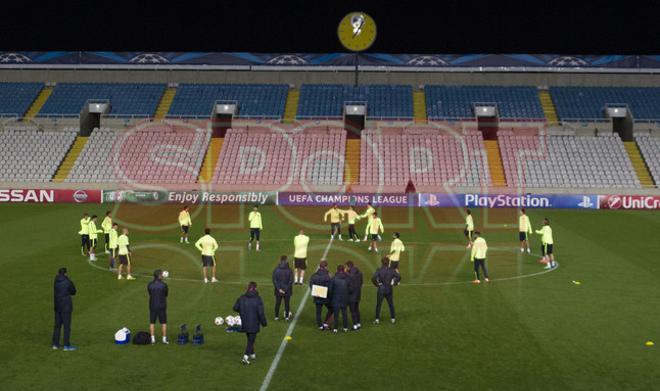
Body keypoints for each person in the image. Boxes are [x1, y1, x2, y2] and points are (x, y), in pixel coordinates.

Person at [233, 282, 267, 365]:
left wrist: (242, 311)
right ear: (255, 288)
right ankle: (245, 357)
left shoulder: (241, 297)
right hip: (254, 323)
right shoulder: (258, 299)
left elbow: (235, 308)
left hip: (245, 322)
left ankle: (252, 354)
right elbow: (261, 313)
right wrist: (264, 323)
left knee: (250, 339)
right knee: (251, 341)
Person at [52, 267, 77, 351]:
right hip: (66, 307)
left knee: (57, 326)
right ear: (65, 273)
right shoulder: (68, 282)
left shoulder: (55, 281)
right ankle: (66, 345)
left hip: (57, 306)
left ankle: (55, 344)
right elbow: (73, 292)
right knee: (66, 327)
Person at [372, 257, 401, 324]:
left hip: (381, 289)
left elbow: (373, 278)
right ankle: (393, 318)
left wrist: (377, 284)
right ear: (388, 262)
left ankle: (377, 319)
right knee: (391, 304)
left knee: (378, 305)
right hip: (389, 289)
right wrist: (394, 283)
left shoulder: (379, 270)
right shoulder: (392, 270)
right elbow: (399, 277)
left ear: (382, 262)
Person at [309, 261, 332, 330]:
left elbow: (311, 285)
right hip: (326, 297)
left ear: (319, 266)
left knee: (318, 312)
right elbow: (329, 287)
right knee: (331, 309)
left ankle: (320, 326)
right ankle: (325, 323)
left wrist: (316, 293)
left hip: (317, 296)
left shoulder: (314, 275)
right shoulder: (328, 276)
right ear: (326, 267)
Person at [148, 269, 169, 344]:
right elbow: (166, 294)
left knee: (152, 322)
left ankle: (152, 339)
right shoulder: (164, 285)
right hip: (162, 305)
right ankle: (164, 339)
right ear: (159, 276)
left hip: (152, 305)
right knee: (163, 322)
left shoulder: (150, 284)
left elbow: (150, 293)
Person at [328, 264, 349, 333]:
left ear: (337, 270)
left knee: (336, 315)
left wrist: (331, 297)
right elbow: (349, 289)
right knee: (344, 314)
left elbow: (330, 290)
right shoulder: (347, 278)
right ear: (343, 270)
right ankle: (345, 327)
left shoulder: (334, 279)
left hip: (336, 298)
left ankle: (335, 328)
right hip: (344, 299)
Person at [272, 256, 294, 321]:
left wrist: (279, 289)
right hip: (287, 291)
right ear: (286, 260)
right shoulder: (289, 270)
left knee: (277, 303)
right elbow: (291, 280)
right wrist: (286, 289)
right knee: (287, 304)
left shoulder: (276, 269)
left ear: (280, 260)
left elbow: (274, 280)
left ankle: (276, 316)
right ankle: (287, 316)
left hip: (278, 290)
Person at [346, 261, 363, 330]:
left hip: (351, 295)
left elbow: (348, 285)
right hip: (358, 294)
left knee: (352, 311)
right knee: (356, 309)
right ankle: (358, 323)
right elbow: (361, 283)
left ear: (348, 266)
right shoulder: (360, 273)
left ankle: (355, 325)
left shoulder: (349, 275)